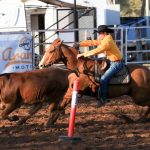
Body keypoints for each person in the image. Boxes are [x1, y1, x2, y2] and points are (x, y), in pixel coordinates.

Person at [74, 25, 124, 107]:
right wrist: (80, 44)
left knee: (104, 79)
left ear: (104, 33)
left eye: (100, 33)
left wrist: (83, 54)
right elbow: (93, 42)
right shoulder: (105, 39)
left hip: (116, 63)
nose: (99, 35)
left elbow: (98, 50)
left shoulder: (107, 41)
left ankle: (103, 99)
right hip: (112, 60)